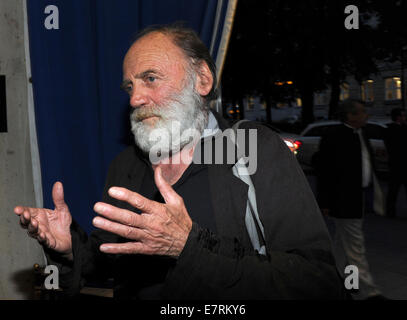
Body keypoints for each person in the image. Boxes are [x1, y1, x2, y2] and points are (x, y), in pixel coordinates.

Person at [14, 24, 345, 300]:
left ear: (202, 79)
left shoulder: (254, 149)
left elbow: (316, 281)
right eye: (130, 86)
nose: (135, 98)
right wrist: (71, 247)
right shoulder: (126, 165)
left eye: (151, 79)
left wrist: (188, 247)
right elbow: (112, 263)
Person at [316, 99, 384, 300]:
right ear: (350, 115)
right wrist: (325, 202)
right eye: (362, 112)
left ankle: (343, 284)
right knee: (355, 247)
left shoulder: (361, 133)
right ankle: (367, 292)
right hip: (343, 200)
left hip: (358, 197)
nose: (366, 115)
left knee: (342, 246)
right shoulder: (334, 136)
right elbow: (325, 172)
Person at [384, 107, 407, 218]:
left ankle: (390, 211)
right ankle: (390, 211)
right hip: (397, 164)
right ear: (398, 117)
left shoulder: (402, 128)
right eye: (403, 116)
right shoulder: (391, 129)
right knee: (393, 190)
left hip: (400, 164)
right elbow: (394, 147)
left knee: (394, 189)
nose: (404, 118)